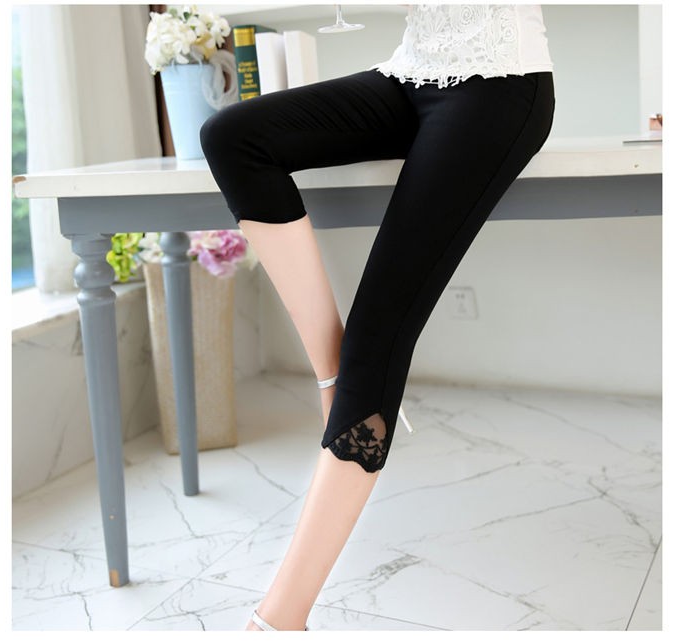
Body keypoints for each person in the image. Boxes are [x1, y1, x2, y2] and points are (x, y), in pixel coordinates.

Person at [199, 3, 555, 631]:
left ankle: (280, 621)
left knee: (376, 342)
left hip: (500, 83)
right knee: (233, 135)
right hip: (410, 73)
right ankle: (335, 377)